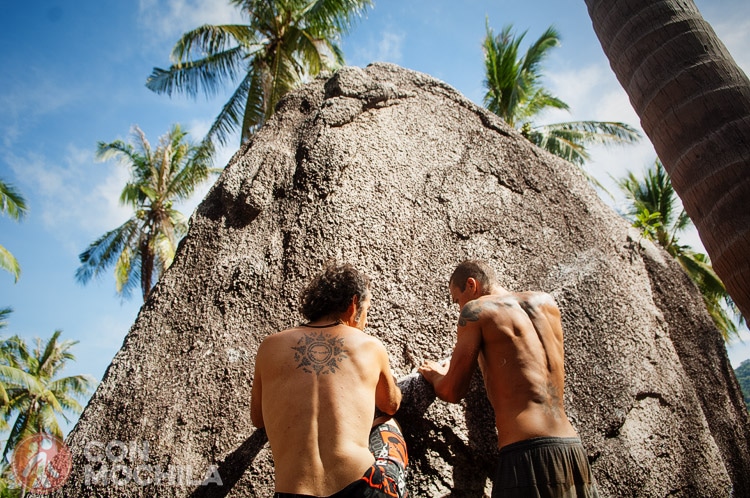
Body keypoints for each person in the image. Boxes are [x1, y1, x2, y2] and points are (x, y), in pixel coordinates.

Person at [419, 259, 598, 497]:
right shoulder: (546, 304)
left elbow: (452, 390)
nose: (458, 307)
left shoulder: (476, 311)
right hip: (572, 453)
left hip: (525, 453)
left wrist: (434, 375)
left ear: (471, 285)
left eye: (456, 299)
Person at [251, 262, 408, 498]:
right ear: (353, 304)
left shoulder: (269, 346)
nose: (365, 320)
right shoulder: (369, 345)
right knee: (388, 425)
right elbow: (391, 405)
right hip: (362, 488)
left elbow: (258, 419)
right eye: (367, 310)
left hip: (292, 493)